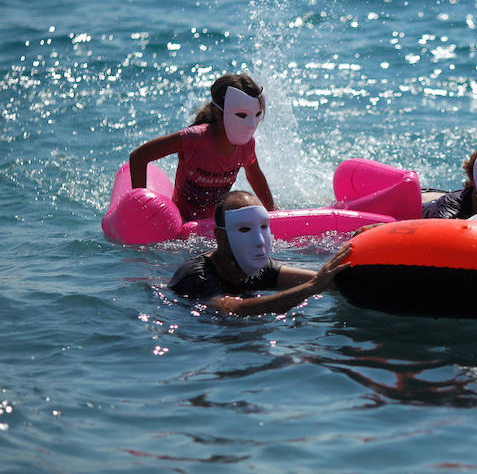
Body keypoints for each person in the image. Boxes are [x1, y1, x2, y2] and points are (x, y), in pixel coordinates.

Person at [169, 191, 349, 316]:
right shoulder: (196, 275)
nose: (260, 241)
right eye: (245, 229)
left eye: (263, 228)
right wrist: (311, 288)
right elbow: (234, 310)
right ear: (220, 237)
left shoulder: (258, 269)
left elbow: (325, 280)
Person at [129, 73, 276, 221]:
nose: (251, 124)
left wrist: (272, 211)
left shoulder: (246, 145)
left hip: (214, 223)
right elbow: (139, 157)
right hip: (182, 221)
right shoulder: (195, 139)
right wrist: (141, 206)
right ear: (219, 113)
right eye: (242, 115)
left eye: (257, 114)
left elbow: (254, 175)